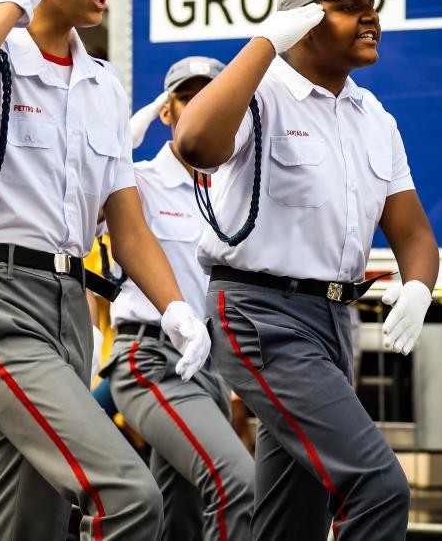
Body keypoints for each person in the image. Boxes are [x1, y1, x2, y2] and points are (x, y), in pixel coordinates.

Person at [0, 0, 212, 540]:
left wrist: (175, 307)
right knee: (129, 493)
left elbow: (126, 224)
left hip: (68, 306)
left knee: (33, 519)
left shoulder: (103, 83)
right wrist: (14, 0)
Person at [174, 0, 439, 540]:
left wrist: (419, 285)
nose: (371, 18)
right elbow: (194, 143)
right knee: (377, 485)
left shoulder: (375, 118)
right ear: (304, 22)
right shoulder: (259, 93)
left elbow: (414, 232)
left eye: (373, 6)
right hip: (260, 316)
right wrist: (266, 42)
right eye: (349, 7)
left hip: (333, 323)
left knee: (294, 518)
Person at [103, 56, 255, 541]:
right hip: (152, 359)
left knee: (180, 517)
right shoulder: (141, 179)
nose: (201, 106)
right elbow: (85, 206)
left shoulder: (237, 191)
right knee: (239, 483)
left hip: (211, 367)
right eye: (188, 98)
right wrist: (115, 148)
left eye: (212, 97)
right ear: (166, 112)